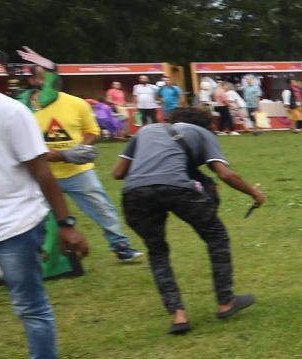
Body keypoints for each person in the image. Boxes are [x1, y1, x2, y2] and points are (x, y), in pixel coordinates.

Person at [0, 40, 90, 359]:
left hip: (16, 225)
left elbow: (41, 169)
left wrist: (66, 223)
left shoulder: (7, 112)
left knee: (29, 305)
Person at [111, 105, 261, 333]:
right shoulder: (202, 133)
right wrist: (254, 193)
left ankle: (178, 315)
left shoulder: (146, 130)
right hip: (177, 189)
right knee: (216, 237)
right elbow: (224, 173)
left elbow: (117, 172)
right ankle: (225, 301)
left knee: (157, 251)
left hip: (134, 194)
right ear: (205, 124)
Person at [21, 65, 141, 263]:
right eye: (41, 79)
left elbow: (92, 131)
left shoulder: (76, 103)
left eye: (50, 78)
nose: (46, 83)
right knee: (35, 217)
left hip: (78, 171)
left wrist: (72, 153)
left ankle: (121, 246)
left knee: (102, 207)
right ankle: (41, 256)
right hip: (41, 174)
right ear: (32, 81)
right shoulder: (23, 109)